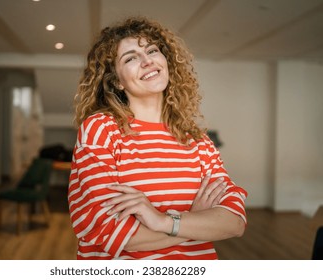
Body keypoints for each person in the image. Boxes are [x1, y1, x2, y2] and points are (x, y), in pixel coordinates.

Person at [68, 16, 247, 260]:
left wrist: (163, 221)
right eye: (130, 58)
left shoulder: (198, 141)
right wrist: (193, 220)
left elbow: (234, 222)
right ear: (117, 81)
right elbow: (110, 234)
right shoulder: (102, 130)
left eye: (152, 50)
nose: (147, 61)